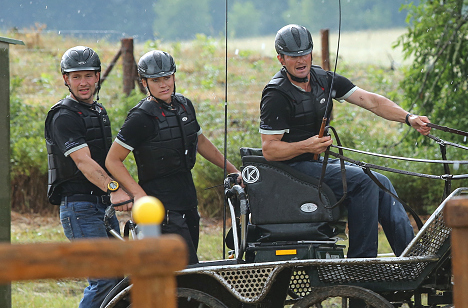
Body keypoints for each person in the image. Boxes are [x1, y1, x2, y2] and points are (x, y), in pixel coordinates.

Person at [259, 24, 430, 258]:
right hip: (289, 170)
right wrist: (306, 146)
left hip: (315, 164)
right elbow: (269, 150)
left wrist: (409, 118)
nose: (300, 61)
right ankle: (362, 261)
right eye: (292, 56)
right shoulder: (276, 94)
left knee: (381, 181)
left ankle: (413, 256)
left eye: (304, 54)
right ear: (281, 58)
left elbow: (371, 101)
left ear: (311, 53)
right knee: (361, 181)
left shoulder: (323, 80)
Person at [105, 50, 241, 265]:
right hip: (159, 205)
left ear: (174, 76)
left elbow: (201, 142)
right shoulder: (141, 117)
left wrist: (233, 170)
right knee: (183, 271)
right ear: (144, 82)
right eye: (156, 80)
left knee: (190, 269)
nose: (163, 84)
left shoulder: (184, 105)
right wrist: (139, 194)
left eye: (167, 77)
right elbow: (112, 160)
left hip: (187, 197)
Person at [44, 46, 133, 308]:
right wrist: (115, 189)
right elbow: (84, 163)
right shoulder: (63, 116)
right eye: (76, 77)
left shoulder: (98, 111)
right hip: (79, 209)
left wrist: (129, 191)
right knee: (104, 278)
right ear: (66, 80)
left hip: (101, 209)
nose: (83, 82)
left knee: (118, 278)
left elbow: (108, 160)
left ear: (97, 78)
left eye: (88, 76)